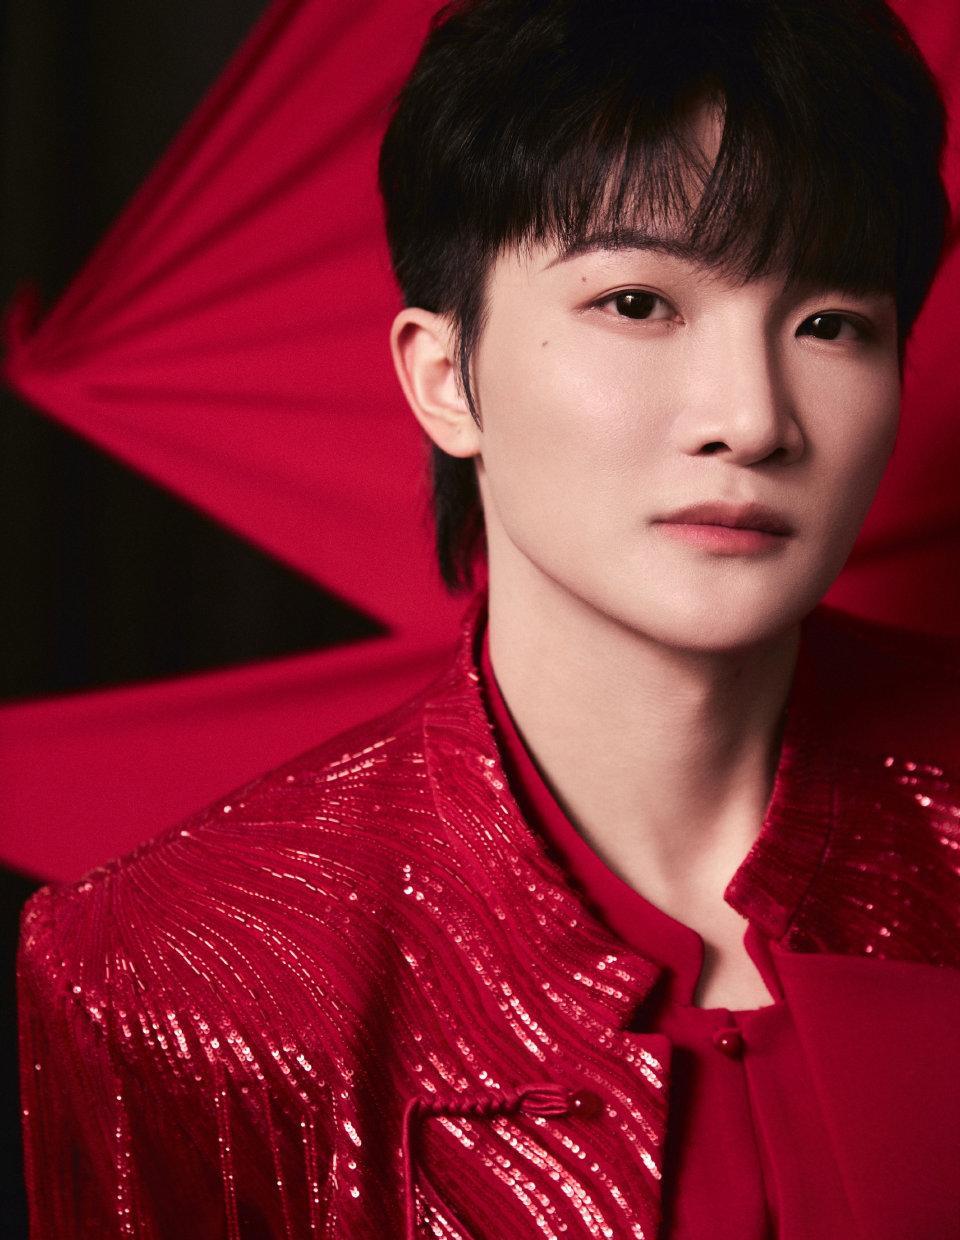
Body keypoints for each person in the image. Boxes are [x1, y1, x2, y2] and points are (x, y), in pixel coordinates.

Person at [16, 0, 960, 1236]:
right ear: (443, 376)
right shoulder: (173, 974)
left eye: (830, 324)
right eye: (638, 302)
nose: (752, 418)